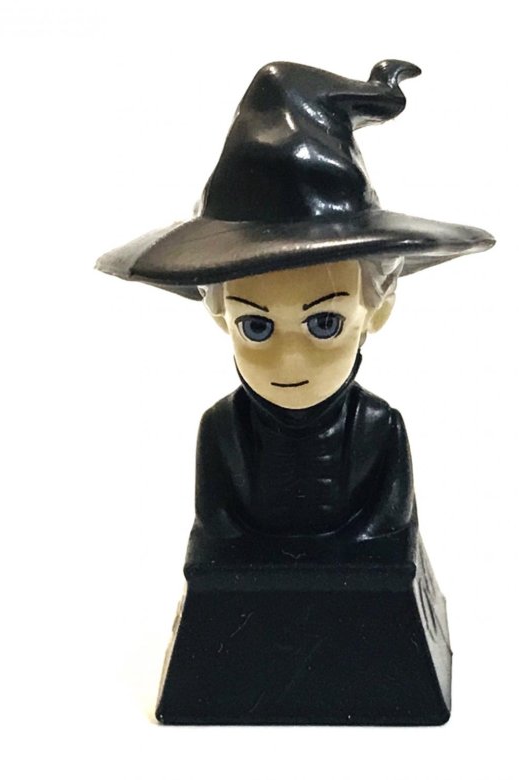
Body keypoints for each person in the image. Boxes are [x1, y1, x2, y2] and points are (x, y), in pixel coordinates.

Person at [97, 59, 494, 725]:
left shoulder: (379, 428)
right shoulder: (221, 430)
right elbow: (217, 527)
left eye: (324, 324)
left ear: (375, 310)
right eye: (256, 326)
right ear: (220, 315)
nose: (289, 359)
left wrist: (344, 568)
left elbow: (388, 526)